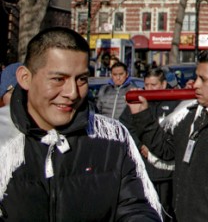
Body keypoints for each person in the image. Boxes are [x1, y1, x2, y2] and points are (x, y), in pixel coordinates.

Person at [0, 27, 161, 220]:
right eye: (58, 79)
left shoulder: (114, 137)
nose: (72, 93)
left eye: (82, 79)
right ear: (25, 78)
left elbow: (138, 208)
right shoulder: (4, 137)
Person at [128, 47, 208, 222]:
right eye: (196, 77)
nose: (195, 84)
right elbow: (167, 150)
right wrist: (142, 116)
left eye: (203, 79)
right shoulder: (191, 114)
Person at [120, 68, 180, 221]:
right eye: (146, 85)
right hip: (146, 169)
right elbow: (126, 127)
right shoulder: (136, 103)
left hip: (168, 172)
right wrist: (141, 146)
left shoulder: (175, 103)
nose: (149, 89)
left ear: (163, 84)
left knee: (168, 211)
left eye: (153, 85)